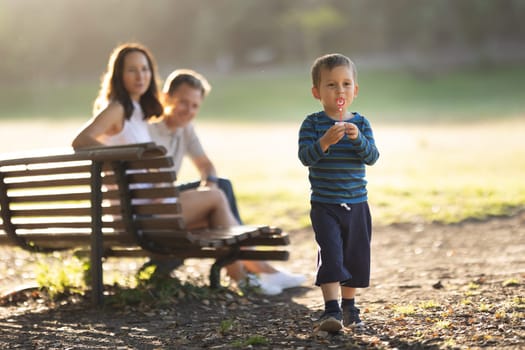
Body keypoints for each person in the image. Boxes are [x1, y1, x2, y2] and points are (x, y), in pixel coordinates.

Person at [70, 43, 275, 294]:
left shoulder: (137, 113)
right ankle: (248, 278)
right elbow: (81, 142)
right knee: (216, 195)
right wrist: (124, 160)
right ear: (119, 75)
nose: (140, 76)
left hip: (144, 209)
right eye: (132, 70)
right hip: (137, 216)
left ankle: (248, 277)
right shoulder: (118, 109)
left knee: (214, 204)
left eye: (145, 69)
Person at [148, 68, 306, 294]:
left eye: (195, 106)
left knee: (220, 186)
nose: (189, 110)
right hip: (155, 208)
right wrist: (209, 195)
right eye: (183, 102)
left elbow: (206, 165)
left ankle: (253, 270)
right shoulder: (149, 130)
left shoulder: (185, 129)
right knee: (218, 196)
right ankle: (251, 271)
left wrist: (209, 185)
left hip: (167, 201)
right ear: (166, 97)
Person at [298, 53, 380, 332]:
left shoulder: (362, 124)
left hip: (357, 203)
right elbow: (305, 157)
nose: (339, 90)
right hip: (325, 204)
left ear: (355, 91)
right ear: (316, 92)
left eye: (346, 84)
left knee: (356, 255)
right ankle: (330, 310)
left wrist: (358, 140)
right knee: (331, 254)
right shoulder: (312, 124)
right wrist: (324, 142)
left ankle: (349, 306)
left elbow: (372, 157)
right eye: (331, 85)